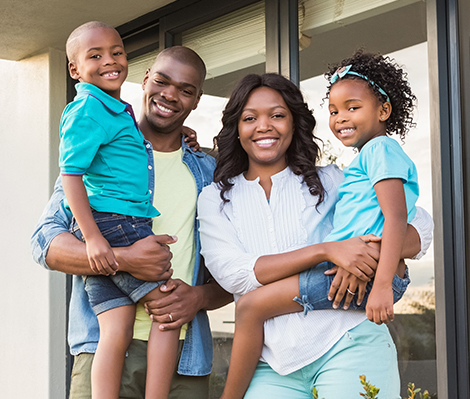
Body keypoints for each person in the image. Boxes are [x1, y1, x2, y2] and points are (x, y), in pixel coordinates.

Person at [198, 69, 433, 397]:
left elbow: (421, 224)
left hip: (348, 340)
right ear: (237, 128)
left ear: (294, 125)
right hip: (272, 363)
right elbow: (235, 276)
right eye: (250, 118)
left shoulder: (331, 180)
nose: (264, 126)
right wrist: (328, 251)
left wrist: (365, 252)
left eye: (277, 115)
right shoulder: (215, 198)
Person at [31, 44, 232, 399]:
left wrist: (199, 297)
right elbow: (44, 244)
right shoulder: (99, 154)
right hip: (104, 349)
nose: (170, 95)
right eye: (162, 81)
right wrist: (125, 260)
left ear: (197, 100)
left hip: (184, 360)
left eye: (186, 90)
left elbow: (235, 271)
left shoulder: (209, 173)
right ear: (145, 81)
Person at [60, 21, 184, 399]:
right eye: (94, 56)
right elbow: (70, 175)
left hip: (110, 224)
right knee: (167, 310)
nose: (110, 61)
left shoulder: (113, 110)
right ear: (75, 69)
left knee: (116, 327)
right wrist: (95, 239)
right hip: (115, 222)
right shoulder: (88, 109)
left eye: (117, 52)